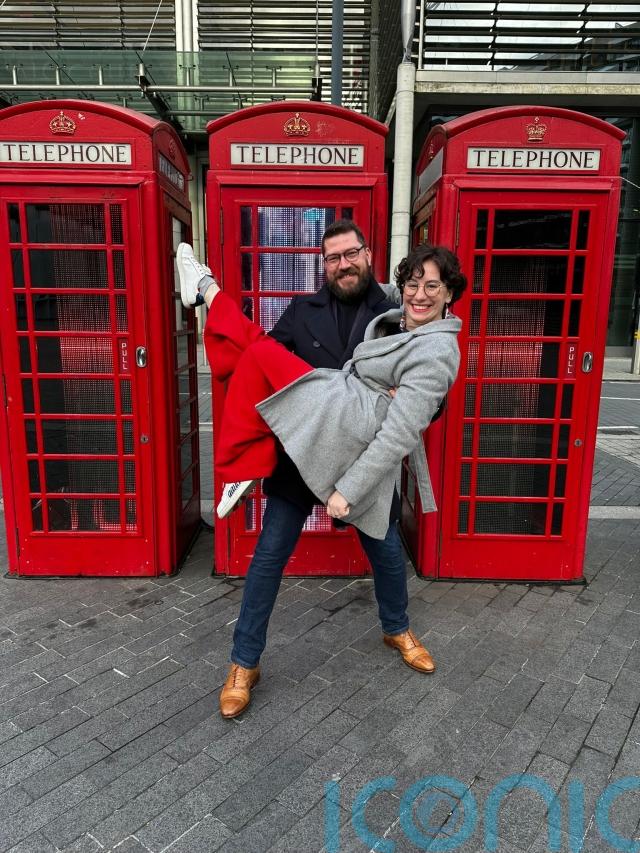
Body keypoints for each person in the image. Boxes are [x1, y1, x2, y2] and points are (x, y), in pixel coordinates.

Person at [177, 223, 466, 719]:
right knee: (268, 558)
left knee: (387, 554)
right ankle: (244, 662)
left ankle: (397, 627)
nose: (343, 263)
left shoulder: (395, 308)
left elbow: (424, 401)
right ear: (324, 265)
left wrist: (411, 403)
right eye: (333, 257)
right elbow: (261, 367)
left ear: (368, 255)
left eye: (351, 253)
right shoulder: (302, 310)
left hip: (363, 461)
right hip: (302, 454)